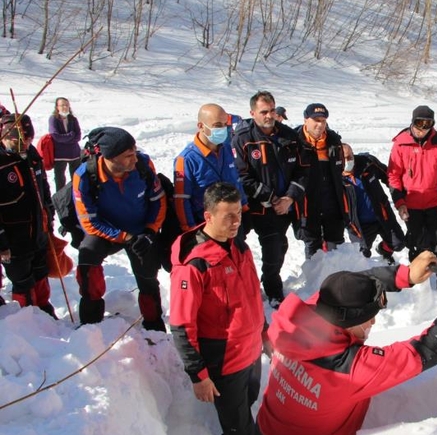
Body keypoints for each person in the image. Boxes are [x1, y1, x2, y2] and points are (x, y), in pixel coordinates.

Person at [246, 250, 437, 435]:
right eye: (369, 318)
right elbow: (425, 350)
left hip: (262, 432)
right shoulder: (351, 369)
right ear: (350, 323)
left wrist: (405, 275)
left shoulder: (306, 313)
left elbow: (346, 286)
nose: (374, 321)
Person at [169, 182, 267, 435]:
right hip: (226, 360)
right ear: (208, 216)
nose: (237, 222)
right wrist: (198, 375)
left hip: (251, 352)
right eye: (229, 216)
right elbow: (181, 325)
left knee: (247, 409)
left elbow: (251, 295)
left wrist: (265, 331)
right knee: (237, 433)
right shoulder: (195, 265)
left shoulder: (240, 247)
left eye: (238, 213)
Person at [72, 127, 167, 331]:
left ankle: (154, 324)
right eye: (128, 156)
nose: (135, 159)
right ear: (109, 158)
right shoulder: (85, 176)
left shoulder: (143, 165)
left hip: (141, 229)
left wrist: (150, 232)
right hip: (107, 231)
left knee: (148, 277)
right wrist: (124, 237)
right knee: (88, 257)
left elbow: (158, 202)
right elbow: (88, 221)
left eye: (135, 153)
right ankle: (90, 323)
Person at [232, 91, 307, 308]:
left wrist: (289, 198)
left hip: (280, 208)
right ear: (252, 113)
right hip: (251, 207)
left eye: (272, 110)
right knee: (238, 251)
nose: (268, 115)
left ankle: (272, 288)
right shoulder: (243, 138)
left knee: (276, 249)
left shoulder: (289, 136)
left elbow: (302, 170)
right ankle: (244, 290)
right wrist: (271, 197)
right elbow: (241, 175)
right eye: (263, 111)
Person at [387, 105, 437, 290]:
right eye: (419, 124)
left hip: (435, 203)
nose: (422, 130)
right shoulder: (401, 144)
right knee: (416, 244)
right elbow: (393, 176)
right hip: (411, 205)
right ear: (412, 122)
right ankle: (418, 287)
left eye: (427, 125)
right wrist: (400, 203)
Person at [0, 114, 56, 316]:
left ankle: (44, 309)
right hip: (13, 236)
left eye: (28, 140)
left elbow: (43, 186)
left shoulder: (31, 155)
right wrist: (1, 242)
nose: (23, 145)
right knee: (22, 278)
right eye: (17, 142)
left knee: (41, 270)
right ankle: (28, 316)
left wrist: (49, 212)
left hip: (37, 230)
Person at [173, 103, 246, 232]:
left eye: (225, 125)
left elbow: (236, 181)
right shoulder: (186, 160)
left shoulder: (227, 149)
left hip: (232, 225)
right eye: (218, 125)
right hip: (205, 229)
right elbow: (182, 200)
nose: (223, 129)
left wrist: (244, 207)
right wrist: (190, 229)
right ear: (201, 126)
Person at [295, 103, 350, 257]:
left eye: (323, 121)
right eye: (316, 120)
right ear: (306, 119)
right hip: (307, 202)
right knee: (312, 245)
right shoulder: (295, 141)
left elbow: (340, 171)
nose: (320, 125)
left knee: (337, 245)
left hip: (331, 201)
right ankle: (315, 279)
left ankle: (337, 276)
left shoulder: (333, 141)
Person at [340, 144, 405, 264]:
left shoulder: (367, 163)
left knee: (399, 243)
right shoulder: (336, 179)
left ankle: (384, 250)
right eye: (344, 158)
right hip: (359, 226)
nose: (349, 160)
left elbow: (389, 176)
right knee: (362, 257)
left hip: (382, 214)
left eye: (350, 156)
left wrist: (400, 197)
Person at [48, 97, 83, 190]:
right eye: (62, 105)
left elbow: (78, 136)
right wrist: (70, 136)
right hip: (60, 155)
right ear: (57, 107)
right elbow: (55, 136)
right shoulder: (53, 119)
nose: (65, 107)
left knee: (76, 179)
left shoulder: (73, 119)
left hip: (74, 153)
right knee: (60, 180)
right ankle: (60, 200)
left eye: (67, 105)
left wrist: (66, 139)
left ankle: (75, 198)